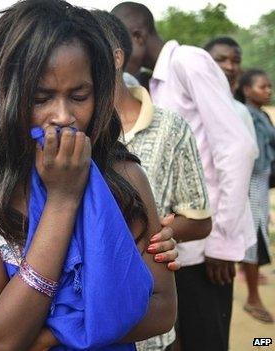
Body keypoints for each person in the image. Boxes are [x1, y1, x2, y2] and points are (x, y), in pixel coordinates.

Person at [0, 1, 177, 350]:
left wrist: (49, 336)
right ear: (3, 95)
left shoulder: (125, 177)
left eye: (79, 95)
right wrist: (62, 200)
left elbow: (163, 309)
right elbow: (2, 336)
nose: (63, 116)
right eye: (40, 98)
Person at [112, 3, 257, 350]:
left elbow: (236, 147)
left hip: (206, 249)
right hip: (176, 251)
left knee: (207, 340)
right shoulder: (156, 82)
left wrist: (221, 243)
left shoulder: (188, 61)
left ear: (136, 37)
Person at [92, 10, 213, 351]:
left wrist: (154, 235)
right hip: (89, 329)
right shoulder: (73, 134)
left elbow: (199, 221)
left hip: (153, 326)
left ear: (116, 57)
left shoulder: (170, 127)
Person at [234, 69, 275, 324]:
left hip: (260, 181)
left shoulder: (262, 115)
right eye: (262, 87)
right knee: (253, 234)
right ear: (247, 90)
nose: (268, 91)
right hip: (250, 181)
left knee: (258, 229)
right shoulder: (246, 115)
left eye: (269, 87)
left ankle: (250, 278)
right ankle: (252, 297)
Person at [204, 37, 258, 144]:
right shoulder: (185, 105)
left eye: (236, 61)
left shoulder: (241, 112)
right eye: (220, 60)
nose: (229, 67)